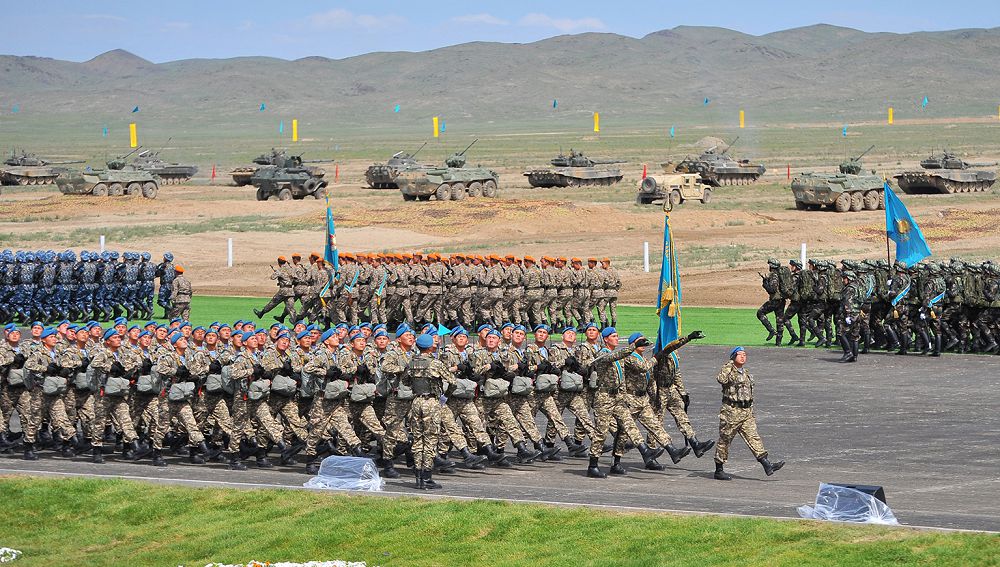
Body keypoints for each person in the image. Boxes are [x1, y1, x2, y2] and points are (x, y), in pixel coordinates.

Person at [713, 347, 784, 481]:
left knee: (753, 437)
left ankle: (767, 464)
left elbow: (749, 394)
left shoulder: (746, 373)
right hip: (731, 412)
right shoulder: (729, 371)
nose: (743, 357)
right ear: (733, 357)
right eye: (739, 355)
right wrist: (729, 364)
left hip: (746, 412)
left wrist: (751, 411)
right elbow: (721, 379)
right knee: (725, 440)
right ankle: (719, 470)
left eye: (744, 355)